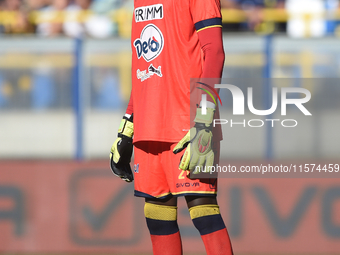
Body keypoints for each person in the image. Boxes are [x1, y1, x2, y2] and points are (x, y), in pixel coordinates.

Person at [110, 0, 234, 254]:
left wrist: (204, 117)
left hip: (188, 123)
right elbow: (145, 66)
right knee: (157, 218)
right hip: (148, 124)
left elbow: (215, 52)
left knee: (203, 211)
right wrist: (127, 127)